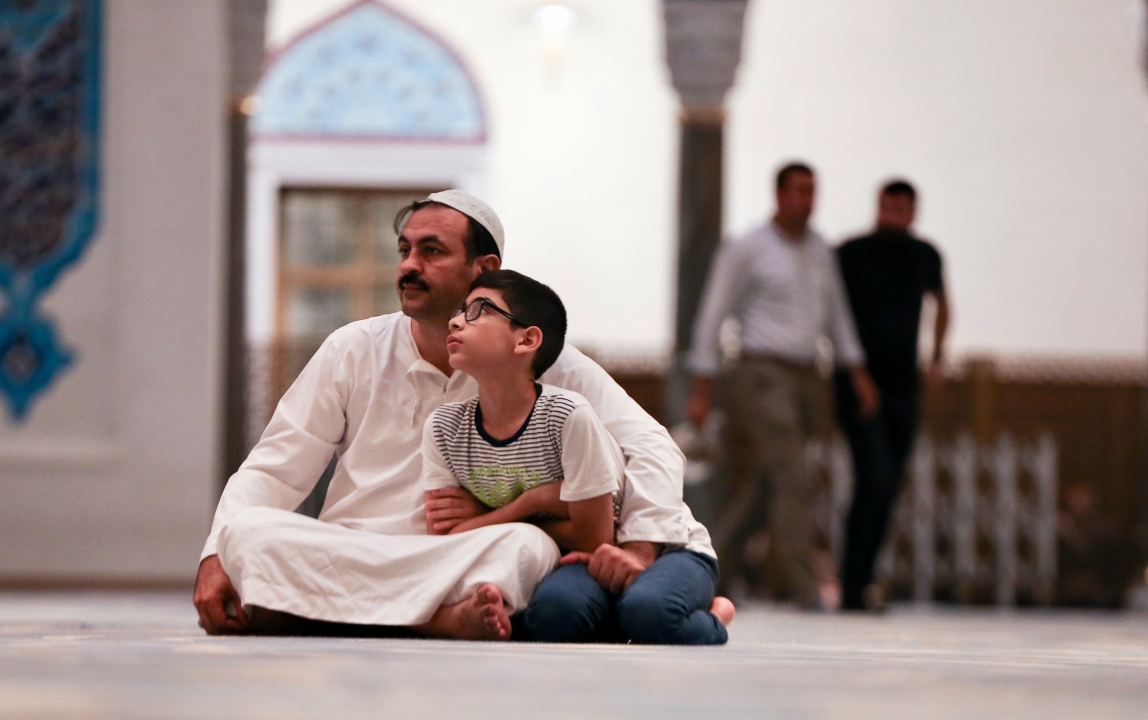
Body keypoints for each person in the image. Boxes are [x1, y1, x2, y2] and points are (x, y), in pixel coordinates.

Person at [194, 189, 713, 640]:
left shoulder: (539, 358)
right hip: (355, 549)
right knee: (250, 531)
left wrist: (641, 547)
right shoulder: (352, 348)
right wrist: (217, 554)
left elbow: (651, 445)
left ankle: (317, 613)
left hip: (462, 557)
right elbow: (274, 467)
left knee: (523, 547)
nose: (408, 266)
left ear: (484, 269)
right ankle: (435, 621)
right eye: (404, 251)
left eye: (431, 251)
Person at [423, 270, 732, 643]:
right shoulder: (447, 424)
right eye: (461, 310)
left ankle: (714, 614)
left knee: (649, 613)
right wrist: (529, 503)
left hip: (664, 547)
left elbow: (653, 450)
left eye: (479, 310)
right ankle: (623, 615)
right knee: (555, 616)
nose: (456, 320)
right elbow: (447, 534)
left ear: (527, 339)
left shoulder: (566, 409)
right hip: (577, 555)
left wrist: (638, 550)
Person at [686, 162, 878, 609]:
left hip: (809, 376)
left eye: (812, 192)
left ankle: (712, 567)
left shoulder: (820, 252)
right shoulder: (748, 248)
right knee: (795, 476)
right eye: (797, 191)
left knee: (770, 484)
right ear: (778, 194)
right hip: (760, 372)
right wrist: (701, 386)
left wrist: (858, 372)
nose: (805, 201)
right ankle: (805, 588)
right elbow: (714, 313)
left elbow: (838, 318)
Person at [834, 179, 950, 611]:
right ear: (878, 206)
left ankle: (862, 582)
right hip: (858, 383)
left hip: (904, 384)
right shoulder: (851, 254)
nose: (895, 217)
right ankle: (852, 584)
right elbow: (836, 316)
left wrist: (937, 357)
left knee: (888, 485)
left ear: (913, 212)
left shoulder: (925, 255)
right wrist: (857, 374)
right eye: (889, 209)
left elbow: (942, 304)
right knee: (874, 478)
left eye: (903, 210)